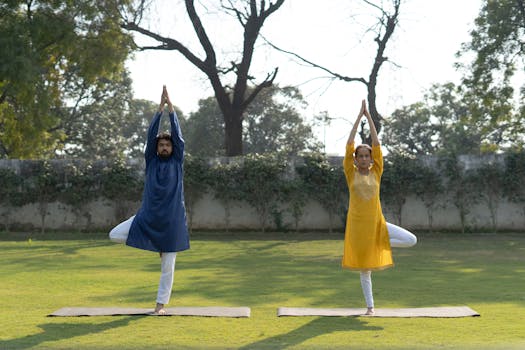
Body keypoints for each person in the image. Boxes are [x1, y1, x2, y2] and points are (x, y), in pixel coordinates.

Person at [109, 85, 190, 315]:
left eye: (167, 145)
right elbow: (149, 136)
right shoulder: (151, 162)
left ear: (172, 148)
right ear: (156, 149)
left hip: (173, 221)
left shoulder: (177, 162)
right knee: (114, 235)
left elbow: (179, 138)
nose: (164, 147)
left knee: (168, 267)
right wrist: (159, 109)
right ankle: (155, 244)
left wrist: (171, 110)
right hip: (148, 217)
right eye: (161, 145)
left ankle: (160, 306)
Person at [342, 100, 417, 315]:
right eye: (361, 156)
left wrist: (370, 118)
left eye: (367, 156)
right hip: (358, 229)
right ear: (355, 160)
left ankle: (381, 245)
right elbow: (349, 144)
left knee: (411, 240)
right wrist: (358, 117)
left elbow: (376, 144)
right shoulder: (351, 173)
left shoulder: (377, 171)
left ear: (371, 159)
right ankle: (370, 308)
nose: (365, 158)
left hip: (378, 224)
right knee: (365, 271)